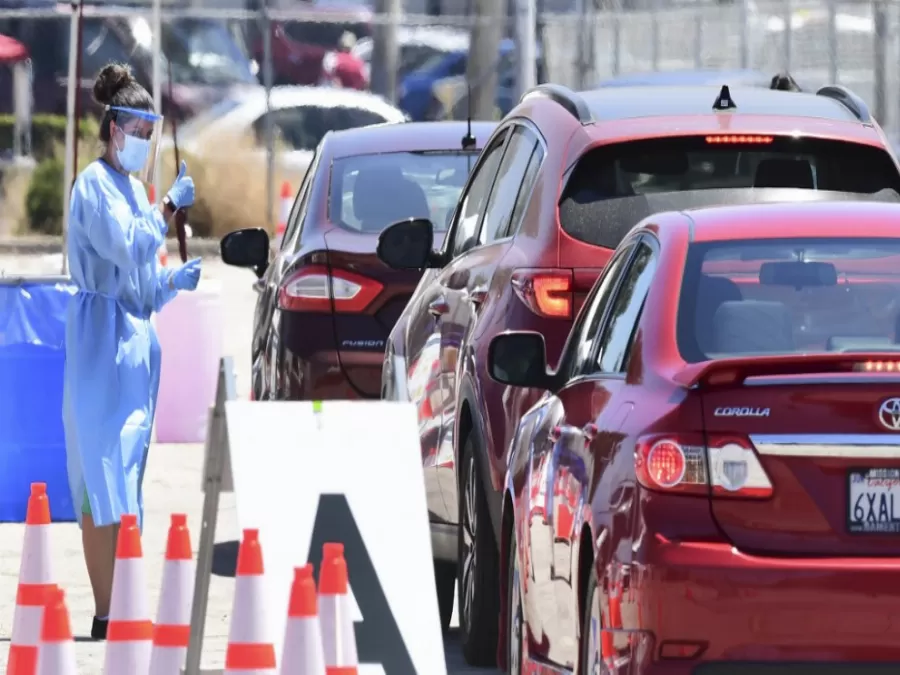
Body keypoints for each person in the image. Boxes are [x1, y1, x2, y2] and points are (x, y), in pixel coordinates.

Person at [62, 62, 202, 640]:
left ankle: (123, 602)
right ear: (115, 127)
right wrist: (167, 209)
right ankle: (105, 611)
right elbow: (124, 246)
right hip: (99, 345)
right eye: (138, 131)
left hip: (135, 349)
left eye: (152, 133)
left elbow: (141, 285)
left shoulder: (134, 189)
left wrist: (172, 282)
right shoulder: (94, 186)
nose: (145, 143)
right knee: (99, 477)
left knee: (127, 477)